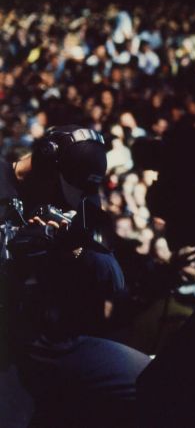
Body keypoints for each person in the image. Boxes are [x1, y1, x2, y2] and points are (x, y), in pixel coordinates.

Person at [1, 125, 151, 427]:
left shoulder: (76, 200)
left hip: (50, 341)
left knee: (154, 379)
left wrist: (74, 251)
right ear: (45, 160)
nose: (69, 202)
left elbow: (114, 280)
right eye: (64, 190)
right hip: (6, 339)